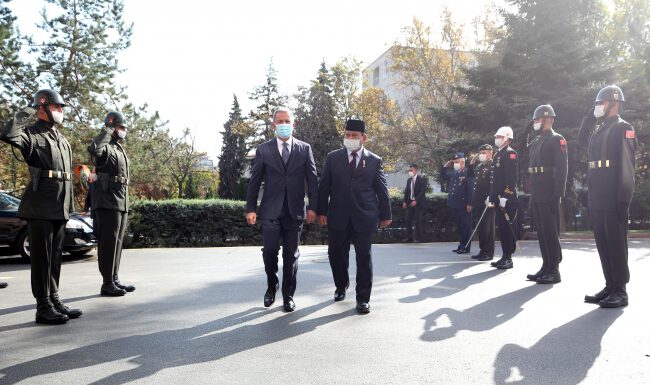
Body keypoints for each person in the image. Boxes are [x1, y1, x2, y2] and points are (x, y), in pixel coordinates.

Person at [0, 89, 82, 324]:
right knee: (41, 258)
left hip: (60, 204)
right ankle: (42, 306)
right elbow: (7, 133)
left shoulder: (60, 138)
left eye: (61, 108)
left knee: (55, 256)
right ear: (43, 109)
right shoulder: (30, 134)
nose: (60, 111)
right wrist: (30, 108)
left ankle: (54, 299)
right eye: (56, 107)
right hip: (40, 204)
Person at [245, 107, 318, 312]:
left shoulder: (305, 149)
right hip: (270, 210)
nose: (284, 125)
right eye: (280, 121)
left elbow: (312, 181)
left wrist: (313, 207)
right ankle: (272, 284)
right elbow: (255, 181)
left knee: (291, 255)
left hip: (294, 211)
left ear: (293, 125)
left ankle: (288, 295)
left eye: (287, 121)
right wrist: (251, 208)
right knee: (269, 251)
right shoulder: (264, 149)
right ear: (273, 125)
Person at [317, 119, 391, 314]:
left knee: (363, 258)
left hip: (364, 216)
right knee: (335, 256)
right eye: (347, 135)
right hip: (338, 216)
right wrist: (321, 211)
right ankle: (341, 285)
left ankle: (363, 299)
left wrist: (386, 214)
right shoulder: (333, 158)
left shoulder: (375, 160)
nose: (350, 138)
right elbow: (324, 187)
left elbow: (381, 190)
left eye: (354, 136)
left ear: (363, 138)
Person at [578, 85, 636, 308]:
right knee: (603, 243)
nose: (598, 107)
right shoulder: (599, 129)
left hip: (614, 197)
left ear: (614, 103)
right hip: (598, 196)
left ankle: (620, 291)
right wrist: (588, 117)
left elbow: (627, 168)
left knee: (615, 244)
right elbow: (582, 142)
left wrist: (623, 199)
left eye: (601, 103)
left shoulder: (623, 128)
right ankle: (610, 285)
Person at [88, 111, 135, 296]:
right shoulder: (105, 146)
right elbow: (94, 150)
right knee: (108, 242)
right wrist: (107, 130)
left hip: (120, 199)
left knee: (117, 242)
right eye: (120, 127)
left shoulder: (118, 148)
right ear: (111, 127)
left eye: (124, 128)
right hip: (107, 200)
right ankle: (107, 283)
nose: (124, 131)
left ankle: (114, 278)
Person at [526, 105, 568, 284]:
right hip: (538, 191)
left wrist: (558, 193)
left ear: (548, 119)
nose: (535, 123)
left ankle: (554, 270)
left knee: (550, 232)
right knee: (542, 232)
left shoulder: (556, 139)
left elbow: (562, 169)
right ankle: (546, 266)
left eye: (537, 120)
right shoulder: (536, 141)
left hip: (549, 191)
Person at [489, 126, 519, 270]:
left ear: (506, 138)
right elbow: (496, 180)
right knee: (502, 228)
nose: (496, 139)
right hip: (499, 198)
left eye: (499, 137)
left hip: (507, 199)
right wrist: (492, 196)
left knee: (507, 229)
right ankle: (504, 256)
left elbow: (512, 179)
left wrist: (506, 195)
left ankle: (509, 258)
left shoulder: (509, 154)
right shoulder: (498, 154)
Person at [440, 152, 474, 254]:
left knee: (466, 226)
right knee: (460, 226)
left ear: (463, 162)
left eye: (457, 162)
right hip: (454, 203)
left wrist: (470, 203)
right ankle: (461, 245)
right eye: (454, 162)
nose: (455, 164)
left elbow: (471, 189)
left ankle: (466, 247)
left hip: (464, 204)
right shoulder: (455, 173)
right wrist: (445, 166)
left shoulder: (468, 172)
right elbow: (443, 176)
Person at [467, 144, 495, 261]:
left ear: (490, 153)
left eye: (484, 152)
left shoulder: (493, 165)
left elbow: (494, 183)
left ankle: (488, 252)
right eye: (481, 153)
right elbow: (471, 176)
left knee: (488, 228)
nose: (482, 155)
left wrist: (491, 196)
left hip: (487, 201)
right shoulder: (479, 166)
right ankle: (482, 250)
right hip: (478, 201)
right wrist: (472, 162)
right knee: (481, 228)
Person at [402, 164, 427, 243]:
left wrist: (416, 200)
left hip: (419, 203)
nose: (410, 172)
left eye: (411, 170)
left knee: (417, 220)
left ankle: (419, 238)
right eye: (409, 170)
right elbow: (406, 192)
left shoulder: (422, 179)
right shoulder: (409, 180)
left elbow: (422, 191)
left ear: (416, 170)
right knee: (408, 220)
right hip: (410, 203)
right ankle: (409, 237)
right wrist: (405, 201)